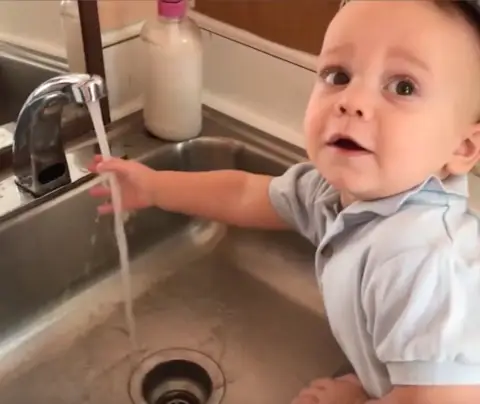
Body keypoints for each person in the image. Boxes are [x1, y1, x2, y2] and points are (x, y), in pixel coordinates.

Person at [89, 1, 480, 403]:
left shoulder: (424, 260)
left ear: (463, 147)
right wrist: (155, 187)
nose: (352, 100)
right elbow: (245, 194)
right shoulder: (336, 195)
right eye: (338, 75)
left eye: (403, 87)